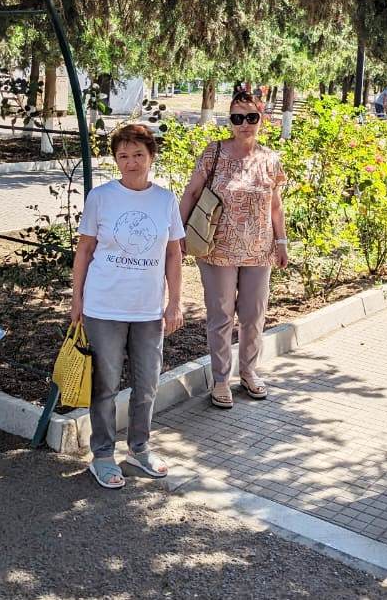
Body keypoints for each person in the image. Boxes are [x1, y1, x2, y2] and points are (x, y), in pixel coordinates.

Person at [70, 124, 184, 489]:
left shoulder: (165, 200)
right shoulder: (101, 197)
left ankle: (139, 448)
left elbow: (174, 254)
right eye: (123, 156)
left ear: (151, 157)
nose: (131, 162)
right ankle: (102, 455)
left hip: (148, 310)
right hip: (103, 306)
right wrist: (77, 299)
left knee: (147, 384)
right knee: (104, 385)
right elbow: (85, 250)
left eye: (138, 155)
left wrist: (175, 302)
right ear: (115, 160)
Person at [179, 90, 289, 409]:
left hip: (259, 250)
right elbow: (191, 193)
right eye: (237, 118)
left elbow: (275, 206)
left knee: (254, 315)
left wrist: (281, 242)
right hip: (217, 249)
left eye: (251, 117)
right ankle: (221, 379)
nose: (244, 124)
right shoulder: (213, 152)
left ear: (261, 119)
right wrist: (178, 233)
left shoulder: (270, 159)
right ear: (230, 121)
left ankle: (249, 372)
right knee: (221, 315)